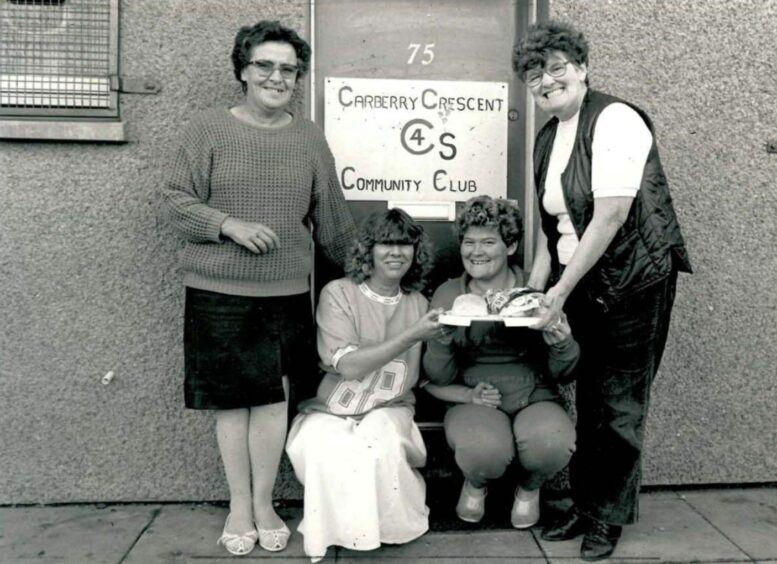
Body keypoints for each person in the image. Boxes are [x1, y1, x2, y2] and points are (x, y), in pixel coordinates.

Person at [161, 20, 355, 557]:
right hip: (216, 290)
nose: (277, 76)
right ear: (243, 70)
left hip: (286, 291)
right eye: (265, 65)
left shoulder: (309, 136)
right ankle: (238, 506)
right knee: (233, 404)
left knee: (273, 402)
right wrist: (228, 225)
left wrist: (371, 272)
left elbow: (333, 220)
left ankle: (265, 503)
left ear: (297, 78)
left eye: (288, 69)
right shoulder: (207, 130)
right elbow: (176, 200)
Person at [513, 21, 692, 561]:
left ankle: (606, 519)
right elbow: (555, 226)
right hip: (582, 280)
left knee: (618, 403)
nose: (545, 81)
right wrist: (532, 288)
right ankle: (588, 504)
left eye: (556, 67)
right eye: (533, 73)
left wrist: (560, 291)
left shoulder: (616, 118)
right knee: (589, 397)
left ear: (583, 67)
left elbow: (611, 215)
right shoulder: (549, 135)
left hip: (633, 281)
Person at [286, 208, 443, 563]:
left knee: (375, 442)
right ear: (367, 249)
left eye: (405, 244)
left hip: (391, 407)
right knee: (325, 444)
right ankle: (336, 532)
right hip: (332, 406)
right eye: (386, 243)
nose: (396, 252)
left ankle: (385, 530)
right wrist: (411, 335)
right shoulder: (338, 293)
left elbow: (431, 371)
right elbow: (350, 366)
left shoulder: (419, 303)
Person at [422, 195, 578, 530]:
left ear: (510, 246)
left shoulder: (535, 291)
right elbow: (437, 375)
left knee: (552, 442)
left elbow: (563, 374)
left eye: (488, 241)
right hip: (476, 396)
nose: (475, 251)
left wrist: (562, 344)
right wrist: (441, 340)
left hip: (535, 396)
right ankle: (476, 484)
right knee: (483, 450)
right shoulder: (450, 295)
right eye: (469, 242)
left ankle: (529, 489)